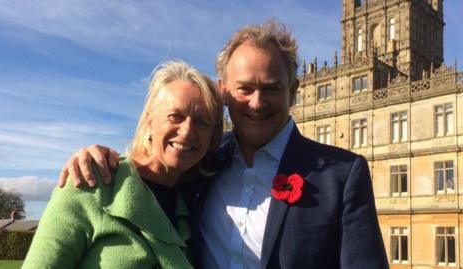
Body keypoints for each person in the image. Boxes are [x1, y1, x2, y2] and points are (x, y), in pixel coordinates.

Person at [59, 21, 389, 268]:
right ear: (224, 90)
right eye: (245, 88)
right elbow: (153, 170)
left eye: (272, 88)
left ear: (294, 90)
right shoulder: (199, 162)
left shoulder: (342, 175)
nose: (257, 103)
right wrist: (101, 157)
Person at [23, 61, 223, 269]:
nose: (188, 131)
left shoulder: (194, 206)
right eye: (175, 116)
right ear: (150, 121)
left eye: (202, 121)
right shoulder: (92, 182)